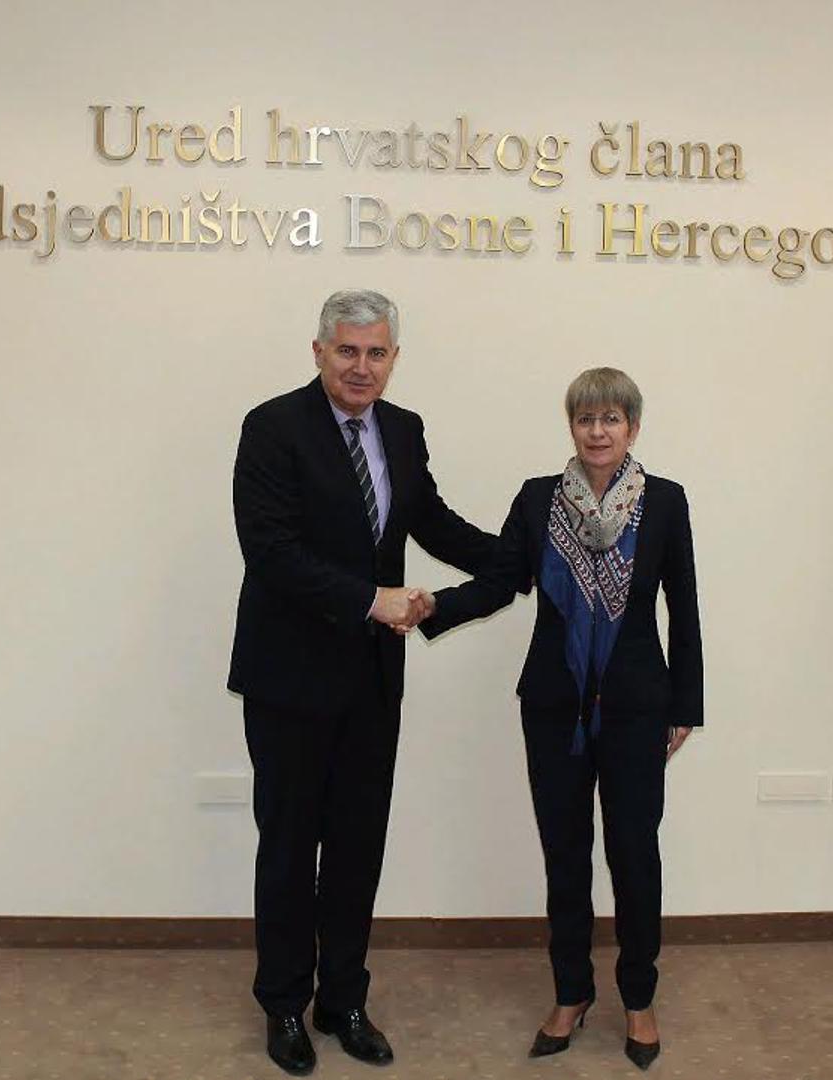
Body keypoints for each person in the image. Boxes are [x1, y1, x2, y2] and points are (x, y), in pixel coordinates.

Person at [228, 289, 497, 1075]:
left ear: (394, 359)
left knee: (356, 847)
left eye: (376, 353)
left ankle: (342, 999)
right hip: (288, 679)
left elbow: (432, 521)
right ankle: (284, 1003)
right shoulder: (272, 427)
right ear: (318, 351)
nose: (361, 367)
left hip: (373, 682)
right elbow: (270, 551)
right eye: (347, 351)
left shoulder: (402, 429)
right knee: (289, 848)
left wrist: (527, 554)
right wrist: (370, 599)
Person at [417, 367, 702, 1072]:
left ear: (632, 427)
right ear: (570, 426)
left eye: (611, 419)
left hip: (637, 709)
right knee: (565, 854)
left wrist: (685, 705)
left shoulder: (665, 502)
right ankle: (571, 993)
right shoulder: (538, 499)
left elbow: (683, 604)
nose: (597, 432)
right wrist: (432, 608)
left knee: (633, 854)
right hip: (552, 707)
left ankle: (638, 998)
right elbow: (501, 580)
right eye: (585, 419)